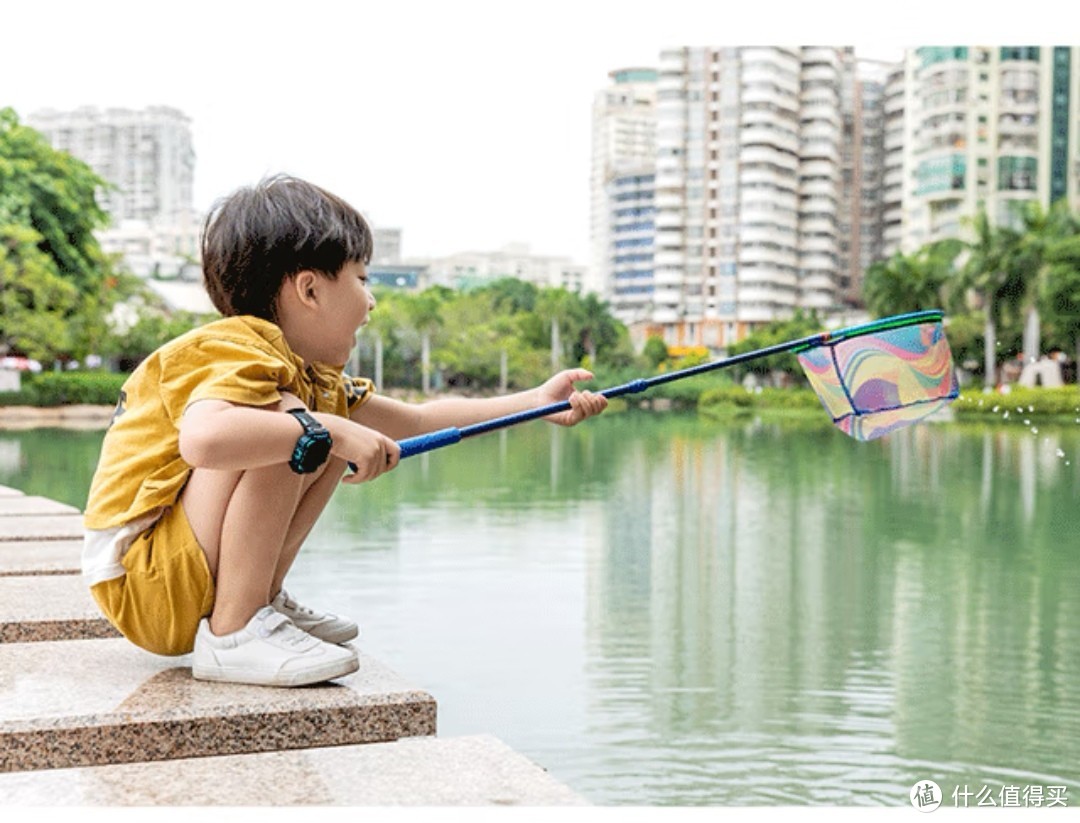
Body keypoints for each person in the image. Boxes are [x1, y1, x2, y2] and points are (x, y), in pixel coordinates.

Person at [82, 175, 608, 688]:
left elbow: (421, 419)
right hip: (144, 578)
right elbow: (205, 440)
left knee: (314, 423)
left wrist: (536, 403)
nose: (371, 301)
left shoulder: (315, 378)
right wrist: (324, 429)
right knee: (297, 424)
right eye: (362, 278)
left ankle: (257, 599)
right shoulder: (236, 346)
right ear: (310, 288)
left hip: (177, 575)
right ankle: (236, 630)